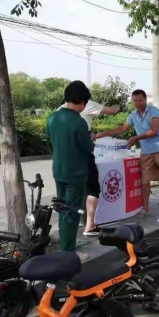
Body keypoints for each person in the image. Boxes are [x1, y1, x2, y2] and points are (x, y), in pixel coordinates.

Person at [96, 89, 159, 216]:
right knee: (145, 180)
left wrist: (136, 138)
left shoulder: (154, 111)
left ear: (145, 99)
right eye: (135, 101)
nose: (137, 103)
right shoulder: (133, 115)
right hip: (146, 151)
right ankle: (145, 209)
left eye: (140, 100)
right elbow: (122, 128)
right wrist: (101, 134)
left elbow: (154, 131)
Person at [59, 99, 120, 236]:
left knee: (70, 191)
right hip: (82, 153)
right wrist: (118, 105)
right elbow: (112, 111)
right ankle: (90, 225)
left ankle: (67, 228)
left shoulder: (59, 112)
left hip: (64, 155)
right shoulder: (87, 104)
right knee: (92, 187)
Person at [46, 81, 95, 251]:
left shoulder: (53, 117)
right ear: (81, 100)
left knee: (62, 209)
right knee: (71, 212)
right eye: (85, 103)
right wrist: (91, 139)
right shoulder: (78, 122)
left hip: (58, 170)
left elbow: (51, 138)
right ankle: (68, 252)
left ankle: (65, 244)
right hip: (75, 173)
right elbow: (88, 147)